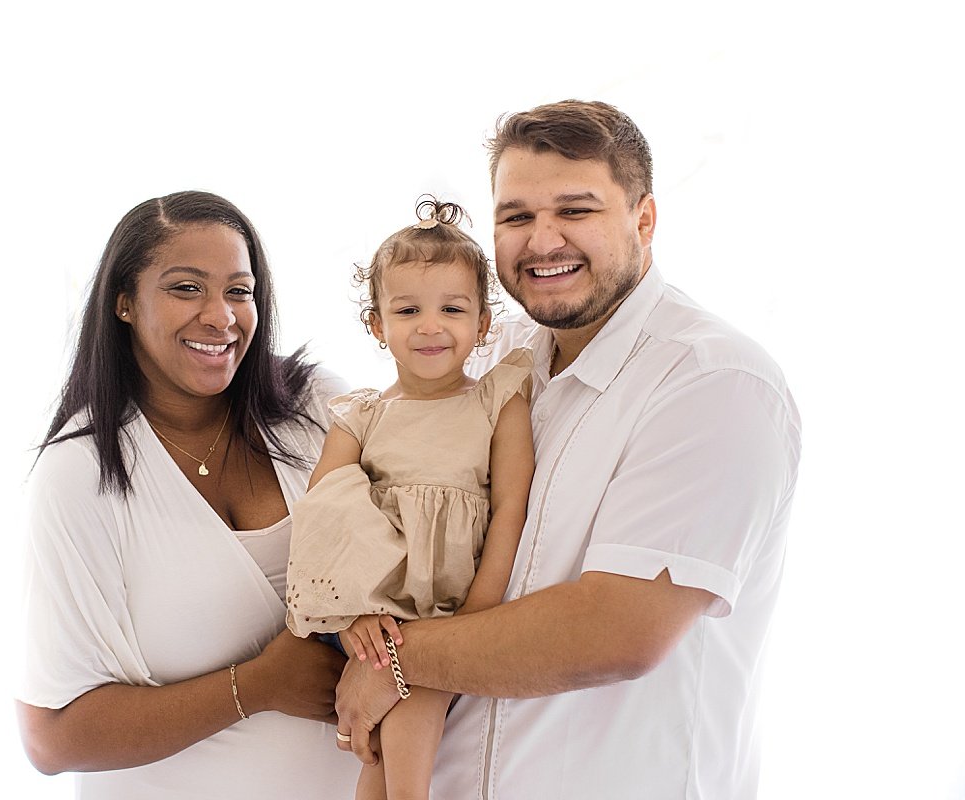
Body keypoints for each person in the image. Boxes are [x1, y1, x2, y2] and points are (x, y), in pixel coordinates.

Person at [334, 101, 803, 799]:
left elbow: (617, 630)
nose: (542, 241)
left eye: (576, 211)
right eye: (517, 217)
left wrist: (390, 660)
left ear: (644, 220)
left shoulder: (713, 382)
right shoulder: (499, 360)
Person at [15, 191, 359, 798]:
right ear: (124, 302)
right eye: (185, 288)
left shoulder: (316, 407)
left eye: (238, 290)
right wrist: (257, 685)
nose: (221, 317)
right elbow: (52, 738)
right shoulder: (78, 475)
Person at [285, 196, 535, 800]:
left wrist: (476, 621)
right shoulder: (362, 415)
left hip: (448, 613)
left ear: (481, 324)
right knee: (376, 752)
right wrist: (357, 615)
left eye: (453, 308)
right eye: (408, 309)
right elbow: (328, 514)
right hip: (375, 608)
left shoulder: (496, 402)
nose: (430, 325)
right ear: (378, 323)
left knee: (411, 712)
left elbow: (510, 511)